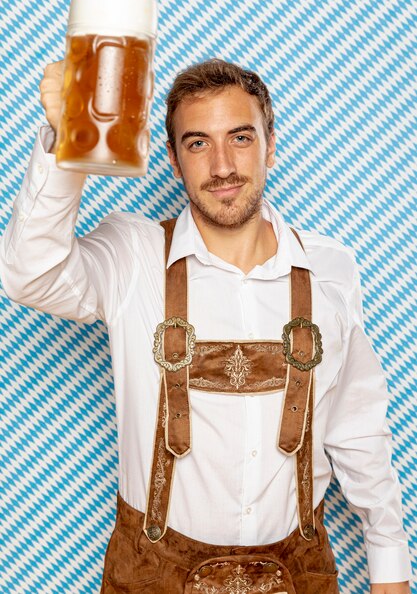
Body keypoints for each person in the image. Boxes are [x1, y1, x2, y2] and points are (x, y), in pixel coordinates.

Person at [0, 58, 412, 594]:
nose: (221, 165)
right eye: (197, 143)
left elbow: (357, 429)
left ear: (270, 143)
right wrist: (66, 139)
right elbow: (29, 275)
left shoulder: (330, 269)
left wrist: (389, 568)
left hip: (299, 574)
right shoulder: (134, 255)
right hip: (151, 577)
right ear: (172, 159)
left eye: (240, 137)